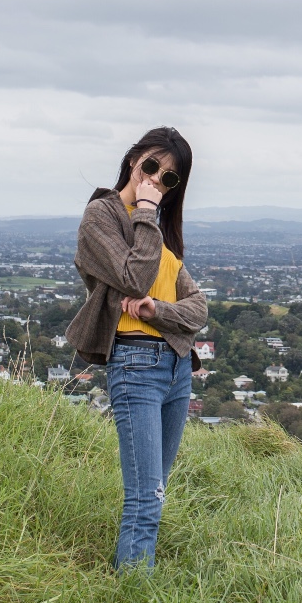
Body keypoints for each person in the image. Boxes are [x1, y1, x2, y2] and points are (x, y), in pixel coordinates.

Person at [66, 127, 208, 569]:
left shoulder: (158, 234)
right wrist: (146, 210)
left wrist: (157, 312)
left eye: (168, 179)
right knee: (144, 500)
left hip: (176, 365)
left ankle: (133, 590)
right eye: (151, 166)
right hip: (136, 364)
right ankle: (131, 602)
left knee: (157, 491)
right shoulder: (102, 216)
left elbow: (197, 308)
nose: (155, 181)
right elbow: (134, 279)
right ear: (133, 160)